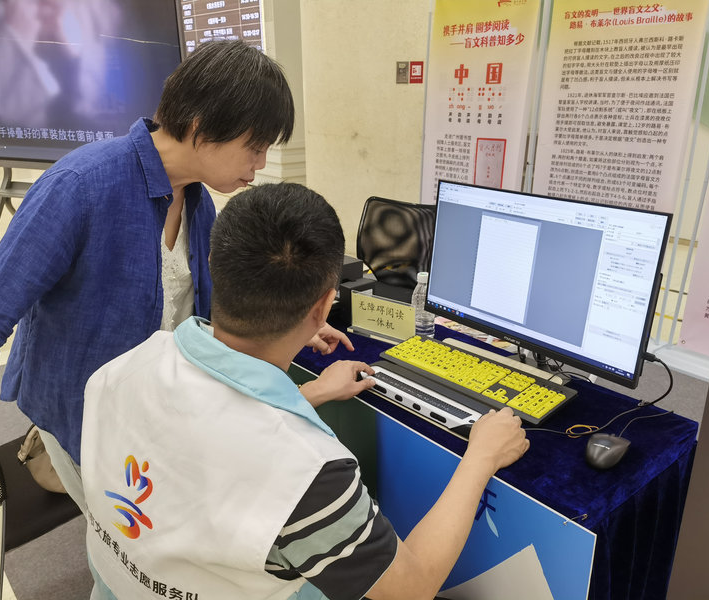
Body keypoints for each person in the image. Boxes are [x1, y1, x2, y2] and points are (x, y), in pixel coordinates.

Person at [0, 39, 352, 517]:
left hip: (152, 411)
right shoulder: (81, 187)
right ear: (202, 128)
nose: (260, 164)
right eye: (254, 147)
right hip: (84, 416)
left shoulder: (199, 204)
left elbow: (203, 312)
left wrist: (292, 323)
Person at [81, 182, 529, 600]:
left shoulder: (125, 366)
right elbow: (410, 589)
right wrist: (481, 457)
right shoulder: (309, 474)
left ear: (214, 265)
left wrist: (308, 393)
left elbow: (206, 427)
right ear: (324, 306)